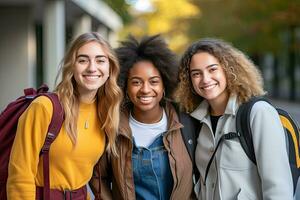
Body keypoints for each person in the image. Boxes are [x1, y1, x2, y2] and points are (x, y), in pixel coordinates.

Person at [174, 38, 294, 200]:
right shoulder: (196, 121)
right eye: (196, 74)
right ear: (189, 81)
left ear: (228, 70)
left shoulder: (258, 113)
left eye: (212, 69)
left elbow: (278, 189)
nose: (205, 79)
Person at [7, 32, 122, 200]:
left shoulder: (106, 112)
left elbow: (82, 178)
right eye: (83, 60)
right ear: (71, 66)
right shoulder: (45, 108)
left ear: (110, 67)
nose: (92, 67)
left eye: (100, 60)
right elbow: (20, 174)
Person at [89, 35, 196, 200]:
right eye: (136, 82)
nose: (145, 90)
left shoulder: (186, 123)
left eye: (154, 82)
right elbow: (97, 177)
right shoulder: (111, 126)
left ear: (164, 85)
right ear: (125, 86)